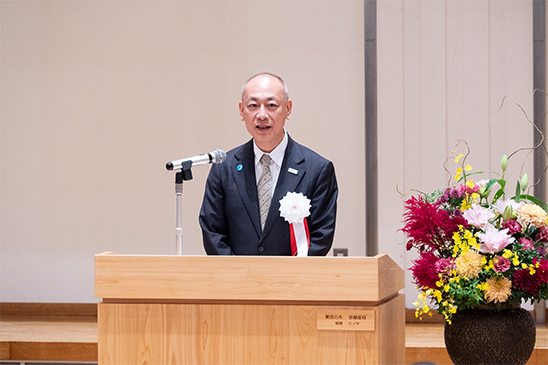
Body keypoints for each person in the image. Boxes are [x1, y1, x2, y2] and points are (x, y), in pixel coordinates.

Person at [199, 73, 338, 255]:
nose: (262, 115)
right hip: (236, 280)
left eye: (272, 105)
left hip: (293, 281)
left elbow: (320, 237)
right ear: (241, 111)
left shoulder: (318, 170)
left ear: (288, 109)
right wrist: (239, 276)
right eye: (253, 106)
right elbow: (213, 232)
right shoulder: (223, 167)